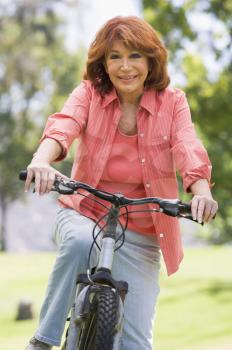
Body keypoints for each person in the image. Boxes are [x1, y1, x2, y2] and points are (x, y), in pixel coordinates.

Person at [25, 16, 218, 350]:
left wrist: (201, 193)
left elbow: (187, 146)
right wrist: (41, 161)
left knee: (135, 343)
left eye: (135, 56)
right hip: (84, 211)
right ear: (103, 61)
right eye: (115, 56)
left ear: (151, 60)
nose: (125, 67)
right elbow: (64, 125)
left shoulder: (173, 102)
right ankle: (44, 339)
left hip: (144, 229)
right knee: (79, 243)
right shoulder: (89, 94)